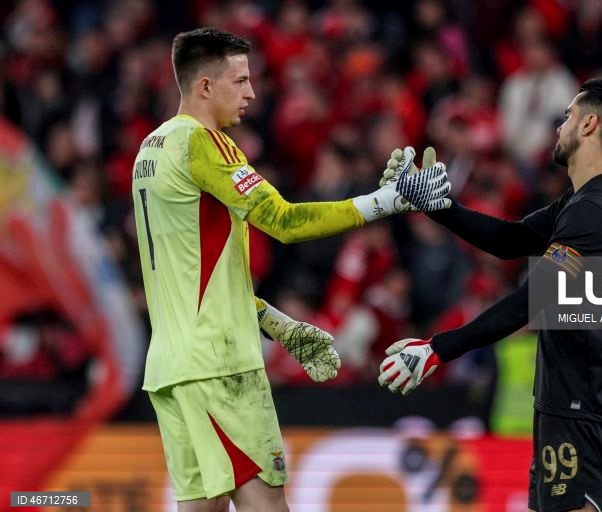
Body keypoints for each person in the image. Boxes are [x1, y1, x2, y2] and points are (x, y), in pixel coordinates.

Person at [131, 27, 451, 512]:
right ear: (205, 87)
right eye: (239, 81)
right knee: (267, 505)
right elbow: (283, 220)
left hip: (171, 368)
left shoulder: (148, 152)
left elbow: (190, 273)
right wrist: (384, 201)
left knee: (206, 507)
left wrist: (275, 322)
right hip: (221, 365)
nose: (251, 92)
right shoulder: (205, 144)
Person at [379, 78, 602, 512]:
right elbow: (511, 239)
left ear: (590, 124)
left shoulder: (595, 210)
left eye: (568, 117)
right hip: (577, 398)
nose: (560, 128)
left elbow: (532, 299)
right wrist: (439, 205)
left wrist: (438, 349)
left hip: (586, 403)